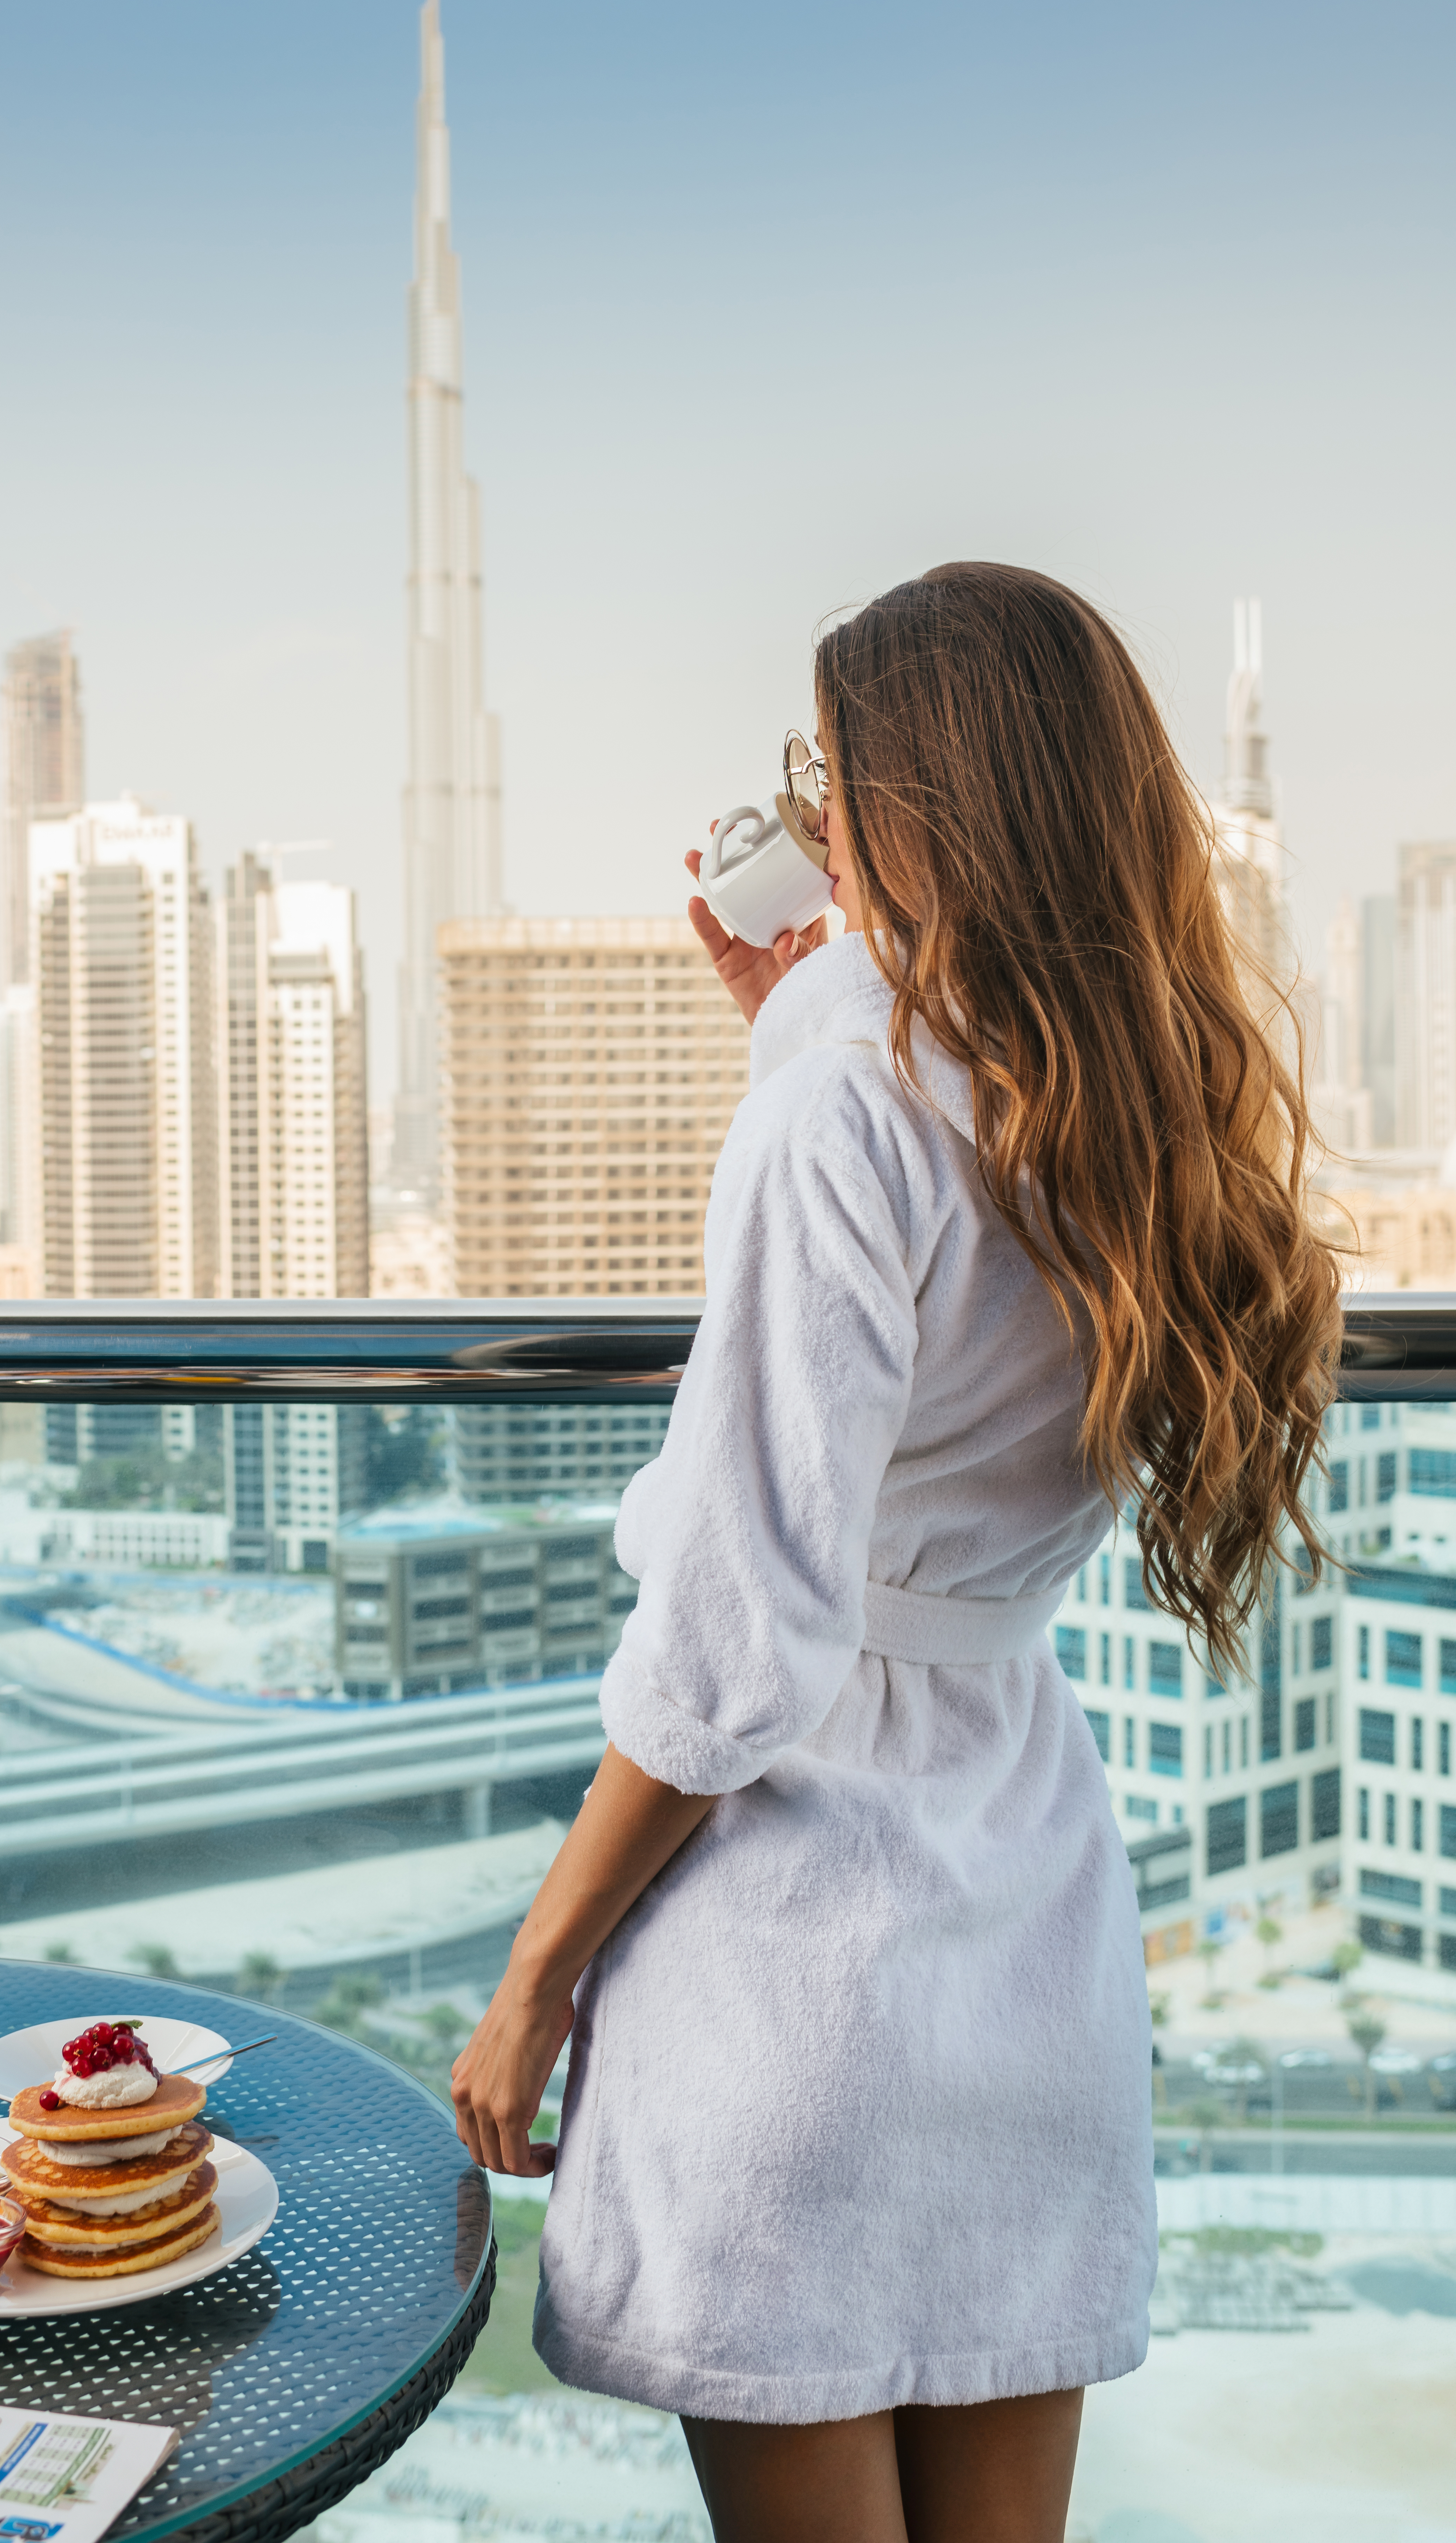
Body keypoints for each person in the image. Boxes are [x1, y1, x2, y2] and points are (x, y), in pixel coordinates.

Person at [450, 564, 1340, 2543]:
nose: (817, 818)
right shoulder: (1139, 1109)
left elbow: (732, 1650)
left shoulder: (838, 1115)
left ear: (931, 811)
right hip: (1021, 1931)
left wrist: (537, 1978)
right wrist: (806, 1026)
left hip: (806, 1976)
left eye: (832, 777)